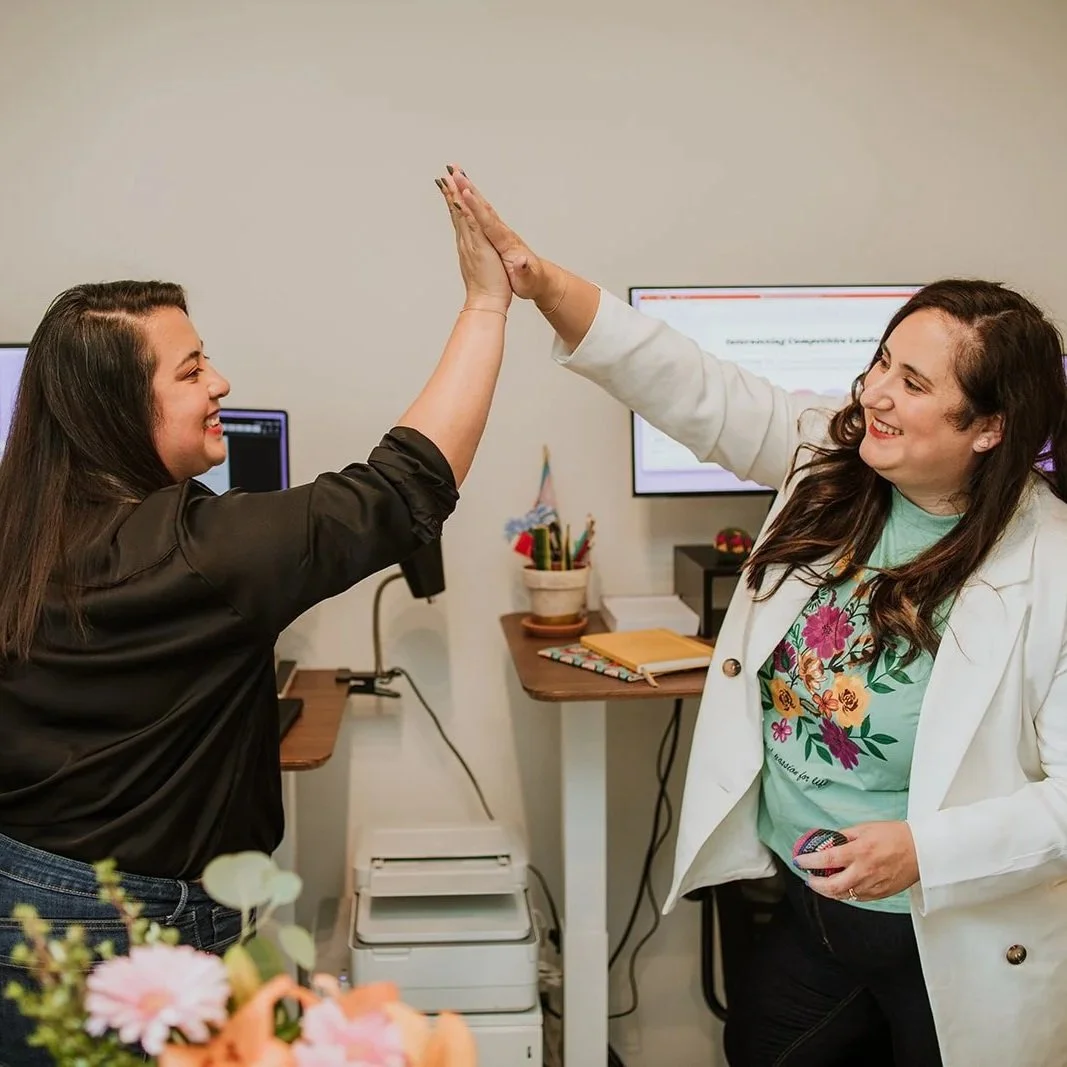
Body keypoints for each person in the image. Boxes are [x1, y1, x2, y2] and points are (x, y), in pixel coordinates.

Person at [447, 166, 1067, 1067]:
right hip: (811, 906)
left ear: (988, 427)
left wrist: (924, 849)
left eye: (914, 383)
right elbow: (681, 380)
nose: (875, 395)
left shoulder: (1049, 564)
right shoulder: (831, 458)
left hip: (952, 930)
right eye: (881, 361)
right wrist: (538, 283)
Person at [0, 171, 506, 1065]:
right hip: (136, 933)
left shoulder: (22, 532)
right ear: (118, 406)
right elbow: (403, 486)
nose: (220, 381)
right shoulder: (195, 551)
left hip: (20, 896)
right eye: (191, 369)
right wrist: (484, 308)